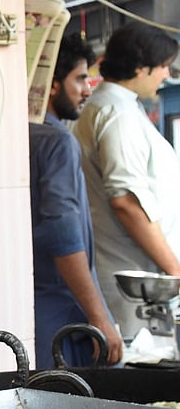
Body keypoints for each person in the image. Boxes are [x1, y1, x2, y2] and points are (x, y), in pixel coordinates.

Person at [74, 22, 180, 338]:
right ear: (140, 67)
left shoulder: (111, 108)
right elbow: (126, 202)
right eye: (162, 66)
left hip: (136, 286)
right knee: (139, 384)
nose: (166, 74)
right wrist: (175, 269)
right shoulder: (116, 112)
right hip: (134, 290)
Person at [29, 33, 123, 368]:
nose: (87, 89)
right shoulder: (57, 142)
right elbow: (63, 235)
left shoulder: (20, 135)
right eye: (80, 78)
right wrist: (99, 316)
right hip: (60, 315)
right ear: (52, 84)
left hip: (31, 313)